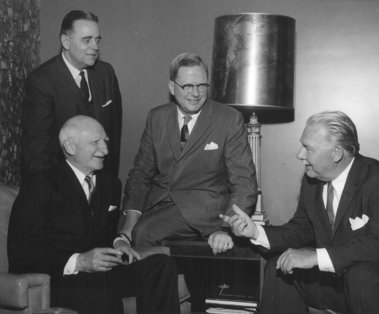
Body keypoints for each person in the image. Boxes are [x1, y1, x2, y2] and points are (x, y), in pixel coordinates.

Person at [221, 111, 379, 314]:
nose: (300, 155)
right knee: (278, 266)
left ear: (336, 154)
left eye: (308, 148)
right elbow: (300, 229)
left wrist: (316, 257)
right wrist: (255, 232)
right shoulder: (312, 181)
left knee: (363, 274)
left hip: (372, 288)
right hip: (331, 285)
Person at [8, 115, 180, 314]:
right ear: (70, 147)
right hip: (59, 280)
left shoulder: (110, 185)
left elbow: (104, 233)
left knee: (161, 266)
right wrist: (79, 261)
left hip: (100, 274)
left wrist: (118, 242)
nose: (105, 150)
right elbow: (21, 253)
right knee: (101, 293)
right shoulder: (40, 185)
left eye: (105, 142)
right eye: (95, 143)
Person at [119, 53, 257, 254]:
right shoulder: (156, 117)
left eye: (201, 86)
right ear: (172, 87)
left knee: (145, 232)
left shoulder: (228, 119)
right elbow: (140, 174)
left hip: (205, 212)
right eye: (187, 86)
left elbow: (244, 181)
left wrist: (228, 228)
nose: (196, 93)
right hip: (158, 205)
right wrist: (129, 221)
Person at [21, 10, 122, 177]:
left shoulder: (106, 73)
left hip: (102, 182)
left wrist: (110, 185)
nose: (95, 47)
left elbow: (114, 136)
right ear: (66, 41)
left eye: (97, 40)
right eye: (86, 40)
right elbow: (37, 152)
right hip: (61, 186)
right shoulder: (41, 81)